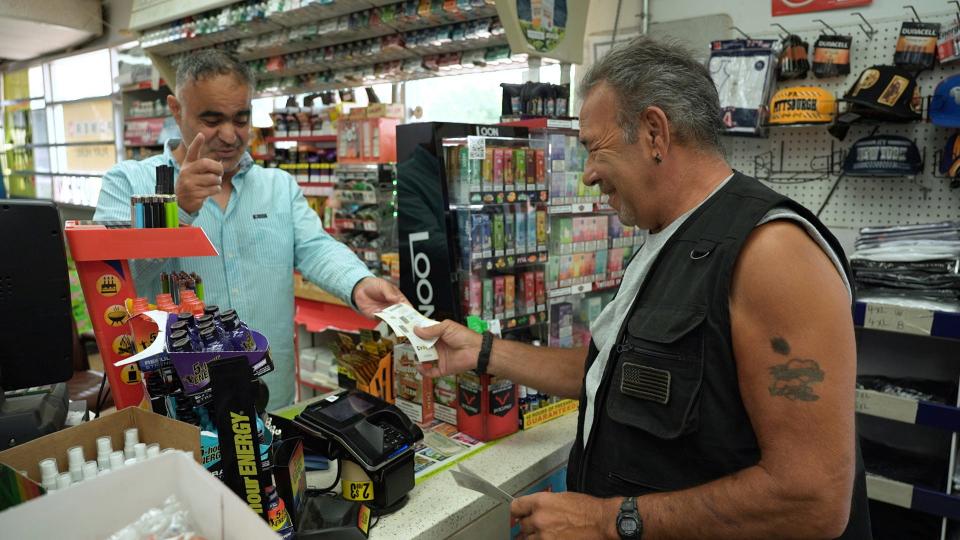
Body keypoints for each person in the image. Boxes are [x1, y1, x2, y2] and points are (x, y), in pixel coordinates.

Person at [415, 36, 871, 539]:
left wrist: (606, 521)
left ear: (655, 132)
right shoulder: (667, 238)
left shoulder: (772, 253)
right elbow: (613, 372)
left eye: (593, 148)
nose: (587, 174)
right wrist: (482, 351)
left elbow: (813, 498)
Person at [94, 50, 406, 410]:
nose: (229, 135)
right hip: (179, 408)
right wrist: (174, 211)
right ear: (176, 109)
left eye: (241, 119)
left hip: (272, 398)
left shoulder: (278, 186)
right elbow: (112, 285)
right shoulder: (127, 182)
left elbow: (317, 248)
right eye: (212, 120)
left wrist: (358, 282)